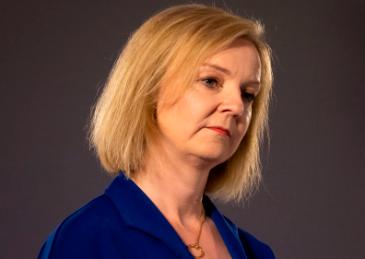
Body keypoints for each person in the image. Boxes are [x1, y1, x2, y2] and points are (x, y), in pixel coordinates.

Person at [38, 3, 274, 259]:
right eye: (210, 81)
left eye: (248, 94)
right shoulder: (86, 240)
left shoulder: (255, 253)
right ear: (149, 89)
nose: (237, 106)